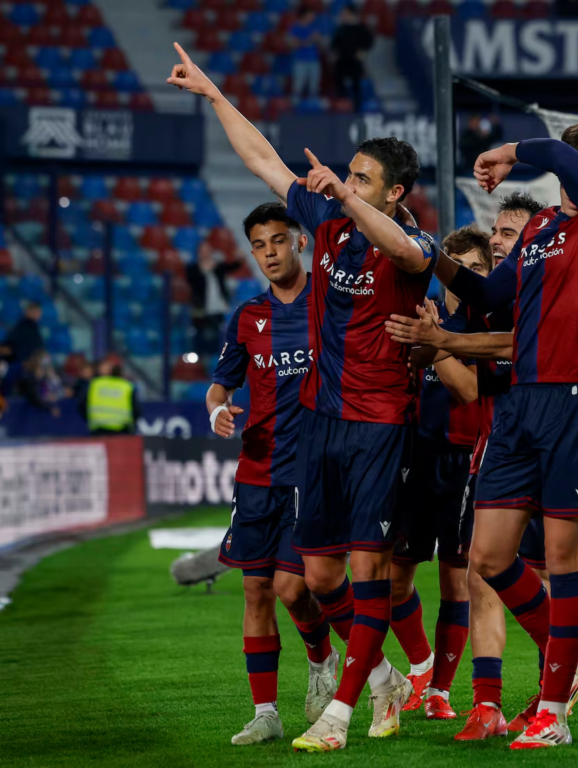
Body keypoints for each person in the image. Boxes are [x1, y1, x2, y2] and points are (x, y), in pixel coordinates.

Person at [169, 42, 440, 753]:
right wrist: (215, 95)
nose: (343, 182)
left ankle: (343, 712)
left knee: (367, 567)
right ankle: (381, 675)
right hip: (319, 423)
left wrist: (346, 198)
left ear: (394, 193)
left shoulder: (412, 243)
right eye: (346, 172)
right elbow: (263, 160)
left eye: (361, 178)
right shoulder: (327, 224)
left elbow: (408, 256)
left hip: (380, 425)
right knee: (317, 576)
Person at [421, 121, 578, 748]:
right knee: (485, 560)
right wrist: (427, 255)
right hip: (522, 406)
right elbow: (491, 291)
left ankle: (553, 712)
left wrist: (506, 153)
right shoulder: (541, 229)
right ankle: (569, 658)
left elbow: (550, 156)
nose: (569, 177)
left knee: (565, 560)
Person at [386, 193, 578, 740]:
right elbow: (470, 375)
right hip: (499, 450)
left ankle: (553, 689)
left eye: (512, 234)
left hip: (547, 443)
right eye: (499, 233)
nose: (503, 241)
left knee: (544, 573)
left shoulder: (540, 301)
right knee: (486, 575)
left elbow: (471, 378)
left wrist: (440, 342)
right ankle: (491, 702)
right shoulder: (492, 304)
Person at [208, 202, 340, 746]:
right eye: (259, 245)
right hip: (257, 469)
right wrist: (216, 409)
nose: (269, 253)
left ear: (300, 244)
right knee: (256, 589)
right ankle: (265, 713)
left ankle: (322, 658)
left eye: (278, 241)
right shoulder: (246, 317)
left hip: (314, 469)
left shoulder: (331, 304)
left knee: (293, 586)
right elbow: (223, 383)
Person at [388, 226, 493, 719]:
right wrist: (426, 342)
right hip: (412, 457)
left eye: (474, 268)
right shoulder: (418, 315)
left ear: (488, 273)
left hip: (461, 462)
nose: (461, 277)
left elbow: (471, 392)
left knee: (457, 583)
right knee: (393, 578)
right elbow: (402, 372)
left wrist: (438, 342)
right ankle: (421, 665)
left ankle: (440, 694)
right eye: (453, 267)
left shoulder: (486, 326)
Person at [186, 243, 242, 356]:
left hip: (218, 306)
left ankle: (217, 357)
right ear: (199, 253)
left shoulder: (217, 267)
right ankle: (200, 357)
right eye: (203, 250)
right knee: (201, 333)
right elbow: (193, 282)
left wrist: (239, 258)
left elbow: (232, 267)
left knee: (218, 333)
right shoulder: (193, 268)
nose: (206, 253)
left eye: (208, 250)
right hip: (201, 307)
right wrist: (204, 270)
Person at [330, 5, 373, 109]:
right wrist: (334, 53)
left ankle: (357, 107)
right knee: (338, 82)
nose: (343, 16)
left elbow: (369, 41)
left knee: (356, 84)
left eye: (346, 14)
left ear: (352, 15)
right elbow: (334, 44)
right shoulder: (341, 29)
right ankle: (342, 105)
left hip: (355, 61)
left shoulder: (361, 28)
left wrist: (363, 51)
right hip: (342, 60)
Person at [85, 358, 139, 434]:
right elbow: (136, 411)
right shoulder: (126, 386)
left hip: (99, 429)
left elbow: (82, 404)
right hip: (121, 430)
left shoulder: (94, 384)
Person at [290, 6, 323, 99]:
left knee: (314, 86)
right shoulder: (295, 28)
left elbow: (320, 46)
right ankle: (294, 106)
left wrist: (319, 41)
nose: (313, 16)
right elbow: (293, 44)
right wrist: (309, 40)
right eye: (311, 14)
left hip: (314, 60)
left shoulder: (314, 28)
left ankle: (313, 106)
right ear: (304, 15)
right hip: (300, 60)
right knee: (298, 85)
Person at [0, 301, 44, 365]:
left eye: (37, 311)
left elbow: (10, 349)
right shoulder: (21, 326)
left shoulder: (32, 332)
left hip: (17, 364)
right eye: (32, 310)